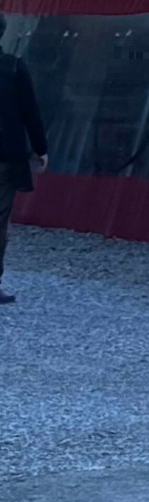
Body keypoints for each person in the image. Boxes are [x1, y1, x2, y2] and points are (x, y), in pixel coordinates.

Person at [0, 40, 45, 304]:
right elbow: (30, 111)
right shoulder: (14, 68)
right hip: (6, 154)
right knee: (0, 217)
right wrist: (41, 148)